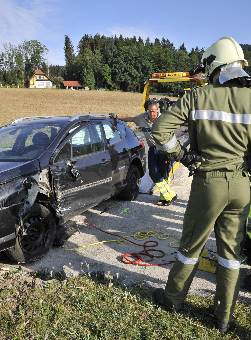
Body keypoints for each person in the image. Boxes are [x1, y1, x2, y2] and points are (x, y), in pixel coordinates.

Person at [151, 36, 251, 334]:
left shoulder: (198, 96)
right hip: (242, 185)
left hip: (209, 182)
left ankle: (172, 299)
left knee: (191, 246)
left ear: (214, 65)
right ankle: (223, 318)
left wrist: (182, 155)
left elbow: (160, 131)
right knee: (231, 254)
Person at [134, 100, 177, 205]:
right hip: (153, 149)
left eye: (154, 111)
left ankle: (165, 198)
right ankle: (171, 194)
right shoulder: (142, 118)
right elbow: (130, 119)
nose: (152, 113)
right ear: (147, 111)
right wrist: (116, 117)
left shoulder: (165, 119)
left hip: (165, 150)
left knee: (164, 174)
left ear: (158, 110)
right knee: (153, 173)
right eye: (150, 111)